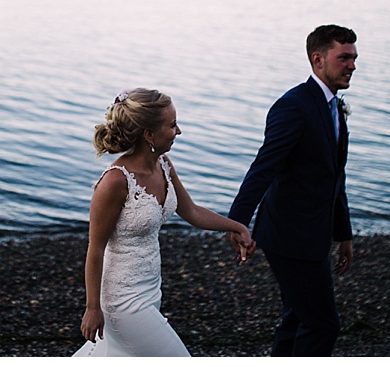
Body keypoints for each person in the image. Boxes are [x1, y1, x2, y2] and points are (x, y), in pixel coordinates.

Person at [74, 88, 254, 357]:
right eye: (172, 125)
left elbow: (191, 211)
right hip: (121, 301)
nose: (178, 131)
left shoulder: (163, 165)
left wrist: (236, 226)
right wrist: (92, 308)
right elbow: (96, 248)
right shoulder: (114, 181)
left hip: (151, 289)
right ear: (149, 134)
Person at [227, 24, 358, 356]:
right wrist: (237, 221)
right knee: (323, 325)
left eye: (354, 58)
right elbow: (264, 166)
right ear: (318, 59)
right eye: (343, 57)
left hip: (315, 235)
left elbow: (334, 177)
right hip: (290, 236)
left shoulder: (335, 108)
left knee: (297, 319)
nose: (352, 65)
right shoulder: (294, 106)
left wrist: (344, 233)